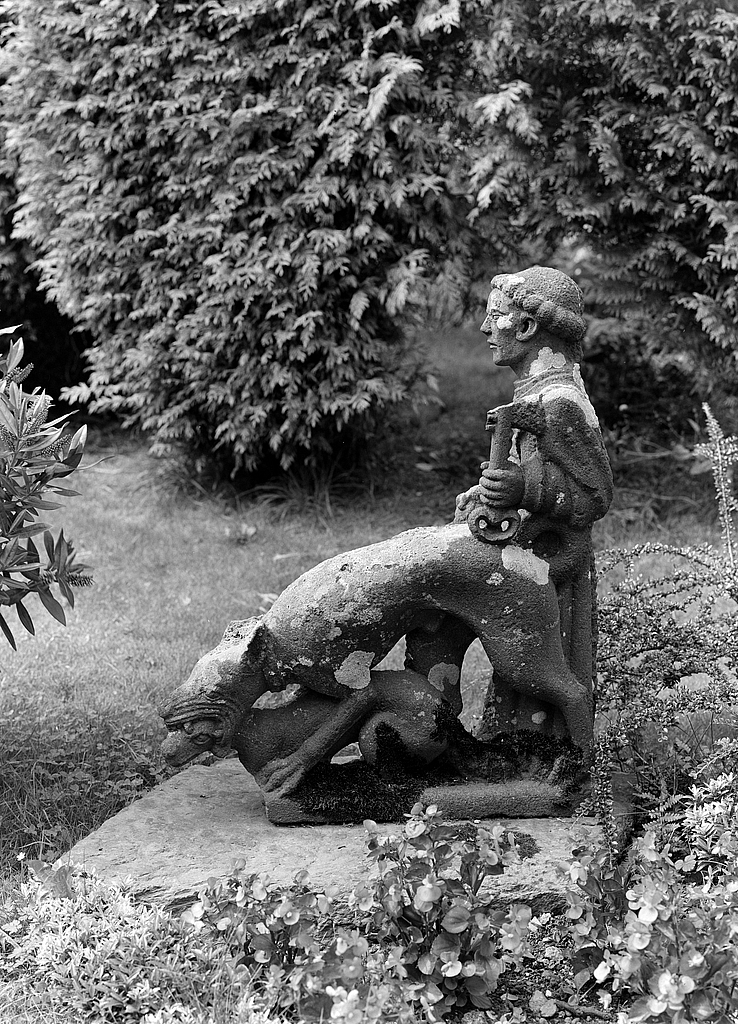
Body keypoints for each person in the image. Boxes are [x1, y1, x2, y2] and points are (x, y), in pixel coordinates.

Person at [424, 265, 614, 736]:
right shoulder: (534, 392)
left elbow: (595, 495)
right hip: (531, 554)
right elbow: (525, 467)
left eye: (496, 317)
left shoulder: (560, 402)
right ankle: (491, 740)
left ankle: (545, 754)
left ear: (527, 328)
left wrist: (523, 490)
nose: (487, 329)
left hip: (552, 563)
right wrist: (486, 493)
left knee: (532, 668)